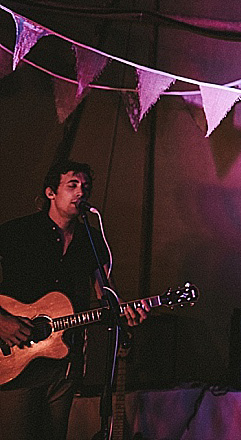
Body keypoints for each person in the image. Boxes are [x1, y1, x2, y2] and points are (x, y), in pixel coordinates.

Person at [0, 160, 149, 440]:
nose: (81, 192)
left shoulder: (92, 239)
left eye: (85, 187)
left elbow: (107, 295)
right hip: (14, 359)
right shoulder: (16, 232)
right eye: (73, 185)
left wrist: (127, 312)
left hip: (65, 363)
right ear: (50, 193)